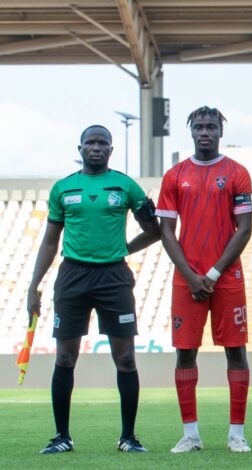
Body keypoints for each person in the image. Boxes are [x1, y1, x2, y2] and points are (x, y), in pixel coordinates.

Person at [27, 125, 160, 454]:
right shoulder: (63, 188)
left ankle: (128, 437)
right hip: (72, 276)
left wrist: (124, 250)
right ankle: (62, 437)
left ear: (111, 150)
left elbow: (154, 231)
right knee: (66, 357)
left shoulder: (125, 185)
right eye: (91, 142)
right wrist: (34, 286)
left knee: (126, 358)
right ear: (81, 147)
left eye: (103, 143)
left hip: (114, 277)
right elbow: (49, 241)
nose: (96, 147)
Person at [157, 106, 252, 453]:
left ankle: (237, 434)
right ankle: (191, 434)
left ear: (220, 132)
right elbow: (166, 231)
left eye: (211, 126)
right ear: (191, 131)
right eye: (198, 126)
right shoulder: (175, 176)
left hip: (226, 278)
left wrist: (211, 274)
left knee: (236, 351)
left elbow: (244, 229)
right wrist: (191, 275)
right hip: (188, 279)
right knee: (185, 353)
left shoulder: (237, 173)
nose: (205, 132)